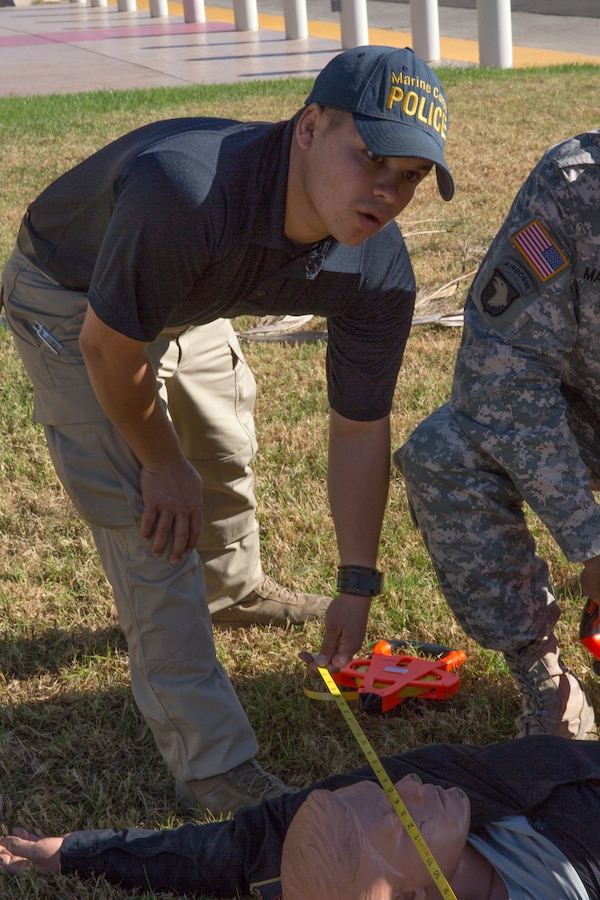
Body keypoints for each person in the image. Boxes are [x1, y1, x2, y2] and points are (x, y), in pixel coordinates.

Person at [0, 45, 454, 817]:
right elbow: (109, 349)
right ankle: (213, 767)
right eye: (371, 155)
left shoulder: (377, 265)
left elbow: (358, 428)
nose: (388, 190)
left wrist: (357, 579)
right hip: (74, 297)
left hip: (189, 289)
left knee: (223, 445)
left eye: (410, 176)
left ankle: (235, 590)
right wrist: (159, 460)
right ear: (309, 127)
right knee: (156, 523)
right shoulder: (186, 192)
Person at [396, 130, 600, 742]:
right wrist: (591, 544)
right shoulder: (575, 188)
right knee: (445, 453)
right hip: (586, 413)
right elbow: (500, 367)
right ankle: (546, 678)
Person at [2, 734, 600, 898]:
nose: (412, 784)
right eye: (402, 815)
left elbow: (224, 854)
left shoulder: (436, 788)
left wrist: (75, 853)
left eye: (393, 789)